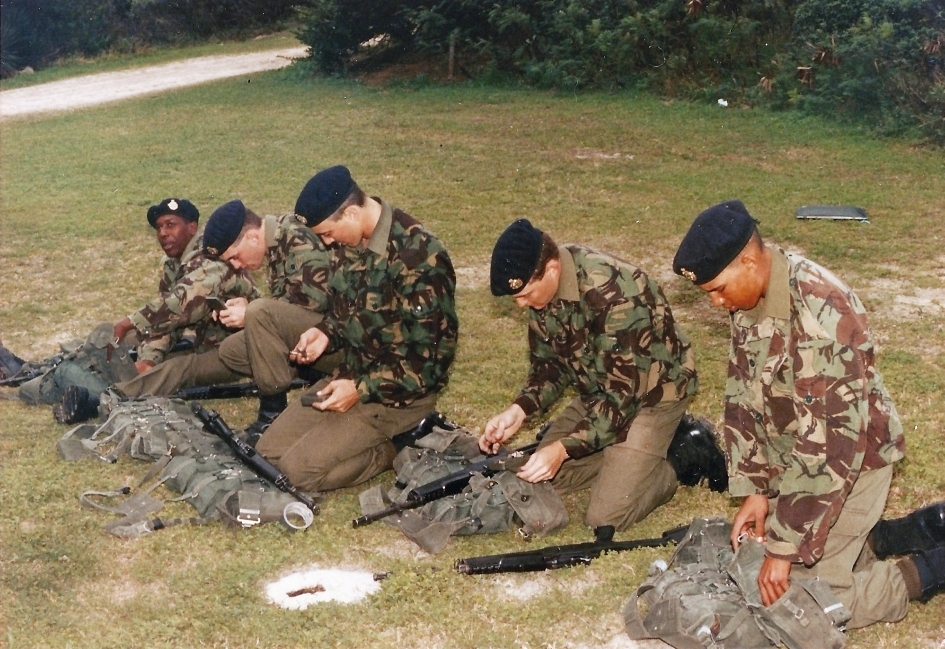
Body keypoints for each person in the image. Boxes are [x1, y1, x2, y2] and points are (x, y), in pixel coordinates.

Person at [672, 199, 945, 629]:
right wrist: (756, 489)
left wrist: (784, 548)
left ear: (748, 260)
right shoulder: (750, 294)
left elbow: (832, 447)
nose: (714, 302)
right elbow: (744, 395)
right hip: (798, 460)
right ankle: (881, 536)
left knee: (804, 602)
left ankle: (930, 569)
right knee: (762, 567)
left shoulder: (822, 310)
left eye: (717, 289)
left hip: (855, 464)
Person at [479, 219, 698, 534]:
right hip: (601, 391)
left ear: (552, 269)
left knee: (606, 516)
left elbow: (622, 399)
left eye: (525, 295)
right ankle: (624, 456)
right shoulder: (545, 287)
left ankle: (681, 454)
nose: (521, 304)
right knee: (539, 471)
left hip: (652, 396)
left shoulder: (615, 295)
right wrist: (520, 408)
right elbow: (549, 365)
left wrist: (565, 448)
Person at [255, 165, 458, 492]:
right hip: (351, 373)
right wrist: (325, 331)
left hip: (399, 395)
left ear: (350, 213)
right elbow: (348, 308)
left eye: (327, 234)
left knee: (295, 474)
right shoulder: (347, 243)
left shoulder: (419, 257)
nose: (325, 242)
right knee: (268, 454)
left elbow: (429, 366)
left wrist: (361, 389)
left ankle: (396, 445)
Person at [45, 198, 257, 422]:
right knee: (126, 344)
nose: (163, 233)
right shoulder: (175, 264)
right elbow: (165, 323)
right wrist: (149, 360)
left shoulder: (212, 257)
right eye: (159, 227)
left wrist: (129, 322)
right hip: (205, 345)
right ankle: (69, 373)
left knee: (177, 369)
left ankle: (100, 397)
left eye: (171, 224)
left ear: (192, 227)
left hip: (238, 350)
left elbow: (178, 306)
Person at [198, 197, 343, 438]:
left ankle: (271, 413)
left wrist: (251, 312)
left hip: (339, 338)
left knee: (259, 314)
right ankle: (307, 371)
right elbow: (289, 301)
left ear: (253, 237)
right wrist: (249, 307)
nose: (236, 265)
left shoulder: (298, 238)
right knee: (230, 350)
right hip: (316, 336)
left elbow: (315, 303)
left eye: (235, 256)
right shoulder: (278, 240)